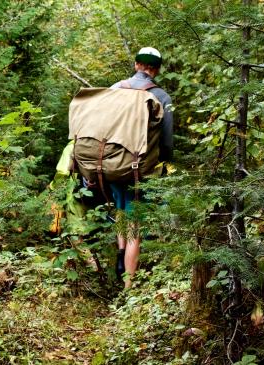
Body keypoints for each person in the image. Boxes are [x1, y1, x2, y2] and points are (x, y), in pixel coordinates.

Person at [110, 47, 173, 288]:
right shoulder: (161, 96)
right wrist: (164, 163)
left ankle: (120, 252)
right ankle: (128, 286)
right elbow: (166, 142)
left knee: (121, 209)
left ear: (137, 64)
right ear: (156, 69)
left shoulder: (115, 89)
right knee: (134, 223)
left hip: (112, 164)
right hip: (140, 168)